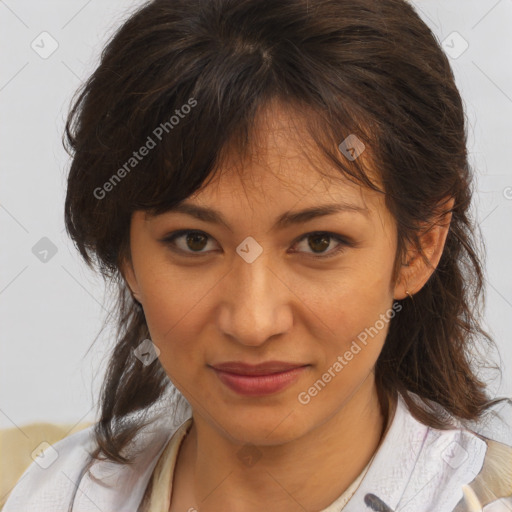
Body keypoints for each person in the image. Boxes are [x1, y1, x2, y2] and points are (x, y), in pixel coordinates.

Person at [3, 0, 512, 511]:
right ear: (127, 256)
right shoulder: (32, 490)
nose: (251, 322)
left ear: (420, 246)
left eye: (319, 242)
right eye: (194, 241)